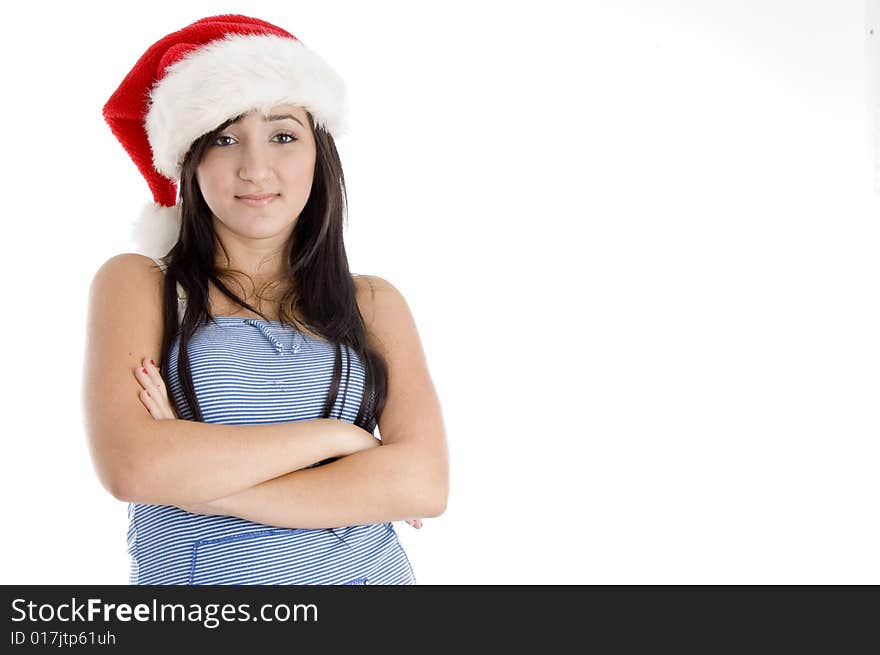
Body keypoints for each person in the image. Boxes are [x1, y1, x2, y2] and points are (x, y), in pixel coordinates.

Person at [83, 14, 448, 585]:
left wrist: (201, 481)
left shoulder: (374, 303)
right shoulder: (141, 285)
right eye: (224, 138)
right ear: (190, 159)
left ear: (318, 153)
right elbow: (133, 467)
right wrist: (343, 441)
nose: (255, 168)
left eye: (283, 135)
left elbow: (422, 484)